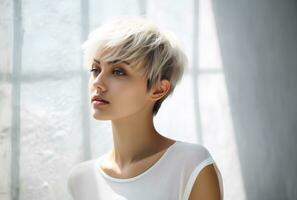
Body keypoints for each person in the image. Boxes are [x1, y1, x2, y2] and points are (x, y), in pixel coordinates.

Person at [67, 16, 223, 200]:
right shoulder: (81, 179)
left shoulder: (192, 165)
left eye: (118, 71)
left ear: (158, 89)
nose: (98, 83)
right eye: (95, 69)